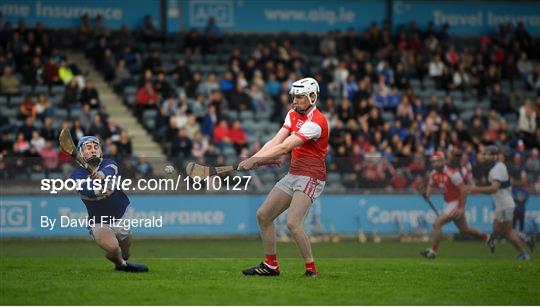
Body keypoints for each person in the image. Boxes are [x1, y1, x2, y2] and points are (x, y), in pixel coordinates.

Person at [239, 78, 328, 277]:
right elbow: (276, 140)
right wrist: (256, 159)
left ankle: (311, 269)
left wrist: (255, 160)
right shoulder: (292, 115)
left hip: (311, 176)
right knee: (263, 215)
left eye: (299, 97)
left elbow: (286, 146)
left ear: (312, 97)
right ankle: (271, 266)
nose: (295, 101)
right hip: (294, 173)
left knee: (293, 224)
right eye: (293, 97)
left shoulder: (316, 122)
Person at [69, 136, 149, 272]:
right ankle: (122, 265)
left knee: (126, 252)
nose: (93, 150)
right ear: (81, 153)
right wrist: (98, 191)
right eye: (88, 148)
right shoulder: (76, 175)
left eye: (96, 147)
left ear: (100, 151)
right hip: (99, 222)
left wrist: (100, 175)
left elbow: (109, 171)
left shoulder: (109, 163)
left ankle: (122, 261)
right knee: (112, 248)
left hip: (120, 217)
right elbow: (86, 189)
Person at [421, 151, 492, 259]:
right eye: (433, 162)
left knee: (437, 223)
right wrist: (427, 195)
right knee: (464, 229)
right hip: (447, 203)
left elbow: (463, 190)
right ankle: (487, 237)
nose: (435, 164)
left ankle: (433, 252)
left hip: (456, 202)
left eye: (438, 161)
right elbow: (430, 185)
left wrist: (461, 208)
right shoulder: (433, 174)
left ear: (443, 161)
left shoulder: (453, 174)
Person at [466, 146, 533, 260]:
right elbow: (492, 189)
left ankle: (524, 251)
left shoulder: (497, 169)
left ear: (494, 156)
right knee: (502, 230)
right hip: (502, 204)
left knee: (506, 232)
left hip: (504, 205)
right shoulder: (495, 167)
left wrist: (476, 189)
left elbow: (494, 189)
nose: (484, 156)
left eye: (487, 154)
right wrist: (477, 188)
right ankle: (525, 239)